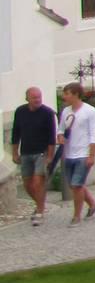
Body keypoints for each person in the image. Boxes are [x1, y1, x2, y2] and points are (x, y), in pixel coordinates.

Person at [10, 86, 57, 225]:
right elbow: (15, 132)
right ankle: (40, 204)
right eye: (34, 97)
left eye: (39, 97)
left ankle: (40, 211)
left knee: (38, 182)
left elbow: (51, 137)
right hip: (25, 152)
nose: (37, 100)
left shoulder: (47, 113)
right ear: (27, 98)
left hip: (41, 153)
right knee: (27, 184)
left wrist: (50, 156)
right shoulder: (20, 111)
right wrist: (14, 152)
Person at [55, 82, 95, 225]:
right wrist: (60, 136)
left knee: (76, 185)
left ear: (76, 94)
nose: (64, 97)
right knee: (75, 185)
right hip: (69, 153)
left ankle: (76, 216)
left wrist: (91, 155)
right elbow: (61, 129)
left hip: (83, 153)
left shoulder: (90, 111)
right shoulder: (66, 111)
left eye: (67, 94)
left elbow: (94, 135)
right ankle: (92, 203)